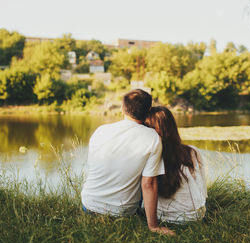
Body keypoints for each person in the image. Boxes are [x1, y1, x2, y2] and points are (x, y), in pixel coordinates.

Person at [81, 89, 174, 235]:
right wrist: (154, 226)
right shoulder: (153, 138)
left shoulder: (100, 130)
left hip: (89, 205)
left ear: (122, 108)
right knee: (149, 175)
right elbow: (148, 184)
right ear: (148, 111)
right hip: (123, 212)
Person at [144, 106, 207, 223]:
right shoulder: (191, 152)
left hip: (161, 217)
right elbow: (201, 185)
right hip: (194, 216)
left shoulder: (147, 155)